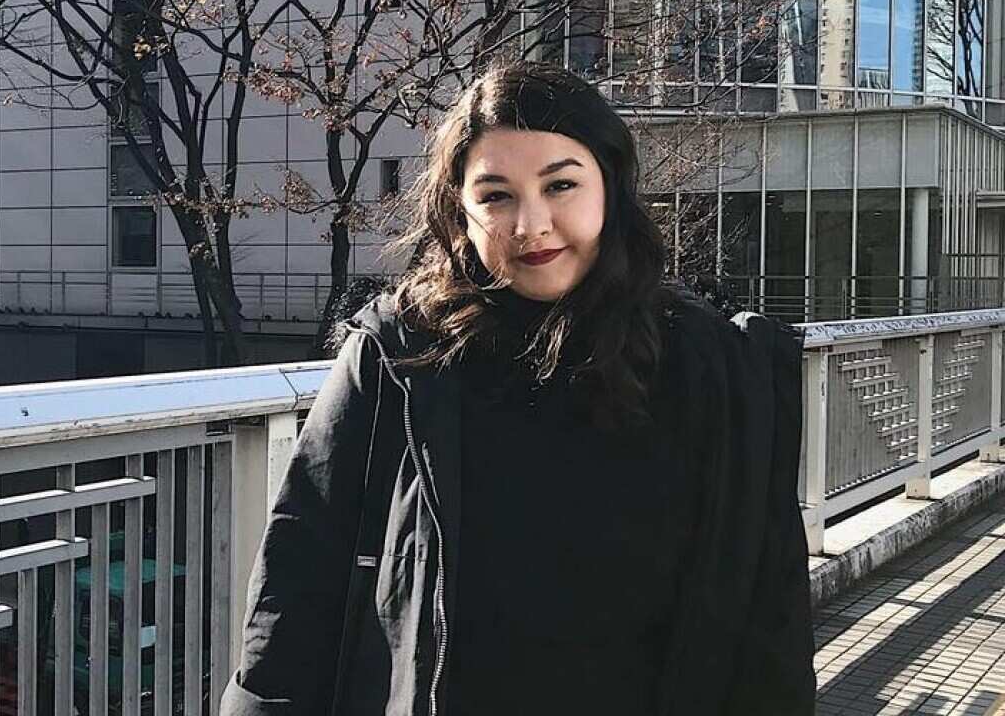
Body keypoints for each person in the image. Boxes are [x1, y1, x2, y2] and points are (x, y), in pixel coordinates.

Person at [220, 60, 814, 716]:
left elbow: (769, 608)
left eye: (560, 185)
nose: (529, 224)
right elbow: (301, 570)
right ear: (460, 211)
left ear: (611, 187)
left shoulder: (715, 366)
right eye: (496, 195)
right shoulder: (401, 356)